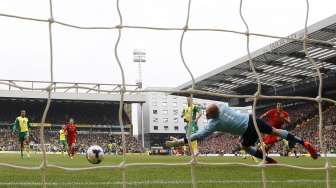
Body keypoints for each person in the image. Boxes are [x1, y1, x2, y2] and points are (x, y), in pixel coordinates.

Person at [167, 103, 318, 163]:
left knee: (244, 146)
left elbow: (197, 136)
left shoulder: (214, 124)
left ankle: (269, 160)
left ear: (211, 116)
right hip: (253, 119)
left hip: (247, 130)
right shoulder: (222, 107)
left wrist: (179, 142)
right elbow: (213, 107)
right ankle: (303, 142)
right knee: (275, 131)